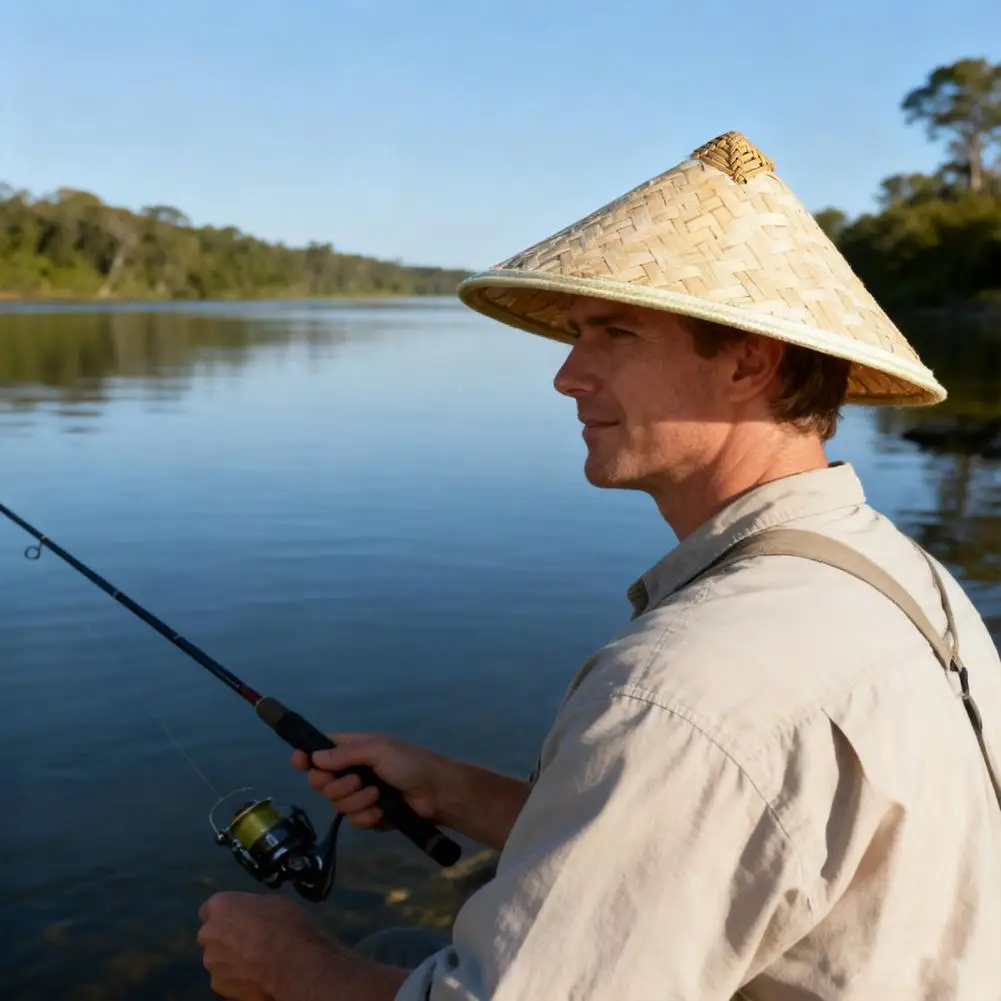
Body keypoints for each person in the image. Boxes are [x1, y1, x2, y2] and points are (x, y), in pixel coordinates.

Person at [196, 131, 1001, 1000]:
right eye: (577, 335)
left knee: (368, 948)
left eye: (612, 333)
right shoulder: (904, 579)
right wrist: (452, 789)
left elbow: (701, 760)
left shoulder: (688, 685)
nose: (566, 376)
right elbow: (737, 840)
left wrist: (294, 966)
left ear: (748, 360)